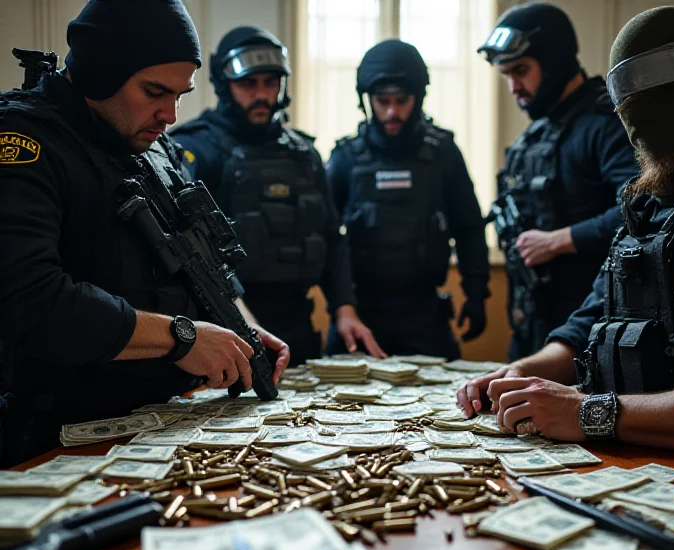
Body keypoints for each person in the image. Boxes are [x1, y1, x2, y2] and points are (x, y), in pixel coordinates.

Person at [458, 6, 674, 488]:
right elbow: (595, 315)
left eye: (664, 143)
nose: (651, 157)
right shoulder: (663, 191)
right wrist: (518, 374)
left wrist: (586, 412)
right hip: (657, 468)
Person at [0, 0, 289, 466]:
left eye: (180, 95)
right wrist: (184, 338)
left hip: (166, 430)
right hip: (58, 443)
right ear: (100, 73)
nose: (170, 115)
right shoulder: (24, 140)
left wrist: (241, 328)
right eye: (155, 91)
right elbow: (28, 298)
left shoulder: (152, 143)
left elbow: (202, 260)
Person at [171, 28, 383, 365]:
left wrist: (344, 310)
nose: (261, 95)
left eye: (270, 83)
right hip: (225, 329)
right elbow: (188, 252)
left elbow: (331, 236)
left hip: (298, 323)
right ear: (225, 86)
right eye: (249, 84)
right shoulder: (197, 148)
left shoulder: (303, 152)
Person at [478, 2, 639, 361]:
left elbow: (643, 212)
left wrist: (558, 241)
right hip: (533, 323)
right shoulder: (535, 134)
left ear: (554, 63)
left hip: (594, 325)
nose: (513, 87)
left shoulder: (606, 124)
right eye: (506, 75)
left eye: (520, 71)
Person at [325, 40, 490, 360]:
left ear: (419, 98)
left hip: (424, 312)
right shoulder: (345, 157)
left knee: (446, 403)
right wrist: (339, 306)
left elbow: (468, 225)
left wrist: (476, 293)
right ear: (366, 100)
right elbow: (327, 237)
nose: (392, 112)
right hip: (361, 313)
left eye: (401, 101)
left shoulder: (442, 152)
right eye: (382, 100)